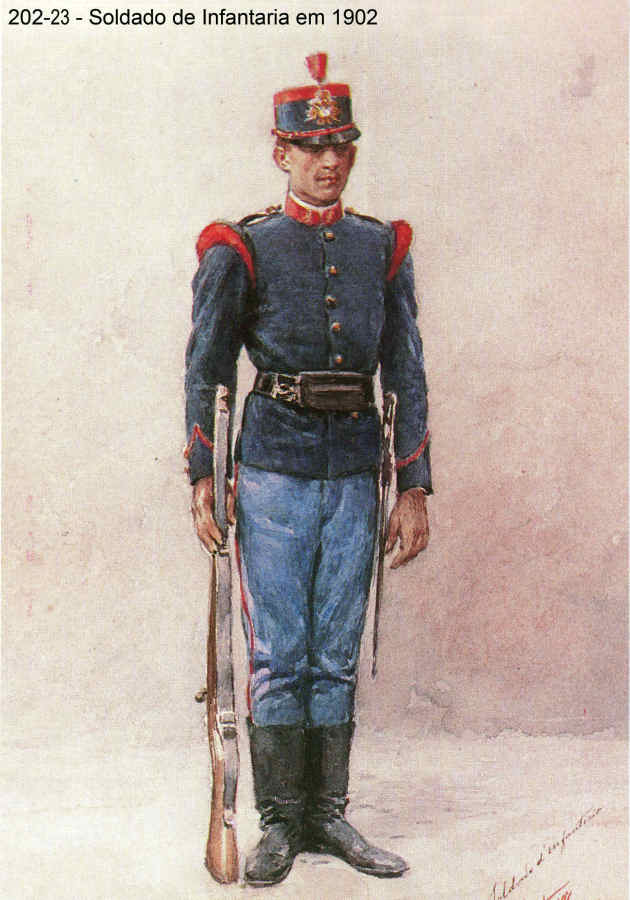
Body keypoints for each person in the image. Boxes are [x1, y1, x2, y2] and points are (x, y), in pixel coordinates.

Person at [184, 54, 432, 887]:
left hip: (356, 471)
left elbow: (406, 370)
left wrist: (414, 486)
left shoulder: (379, 248)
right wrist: (204, 474)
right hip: (274, 473)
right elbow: (207, 370)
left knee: (334, 651)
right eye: (313, 147)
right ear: (281, 153)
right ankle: (280, 822)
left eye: (341, 146)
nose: (329, 161)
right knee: (279, 654)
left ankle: (328, 812)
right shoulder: (245, 248)